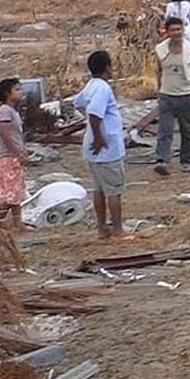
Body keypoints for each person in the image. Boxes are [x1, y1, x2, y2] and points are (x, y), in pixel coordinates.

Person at [72, 50, 129, 240]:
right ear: (106, 67)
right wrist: (99, 136)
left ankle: (102, 227)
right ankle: (118, 230)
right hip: (106, 147)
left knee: (99, 189)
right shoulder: (103, 88)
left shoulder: (91, 85)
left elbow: (78, 102)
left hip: (95, 147)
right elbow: (95, 113)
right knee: (114, 190)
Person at [153, 16, 190, 174]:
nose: (176, 33)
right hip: (167, 95)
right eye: (173, 30)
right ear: (167, 31)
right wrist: (159, 90)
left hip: (186, 94)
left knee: (187, 129)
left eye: (179, 29)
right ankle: (162, 160)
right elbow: (158, 71)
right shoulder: (161, 49)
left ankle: (187, 160)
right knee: (165, 130)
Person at [0, 78, 27, 233]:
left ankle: (17, 223)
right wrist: (17, 153)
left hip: (13, 155)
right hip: (8, 156)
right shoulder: (5, 111)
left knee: (15, 191)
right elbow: (5, 133)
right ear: (7, 93)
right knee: (10, 192)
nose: (21, 92)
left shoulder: (12, 111)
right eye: (17, 89)